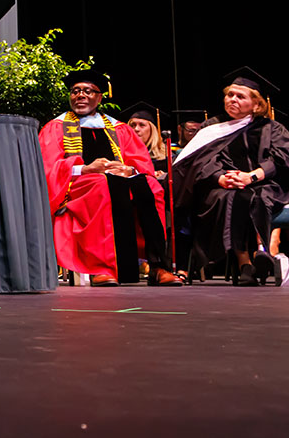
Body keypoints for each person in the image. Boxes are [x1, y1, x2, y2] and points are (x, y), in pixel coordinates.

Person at [38, 69, 179, 286]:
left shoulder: (119, 128)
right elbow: (47, 166)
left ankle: (159, 266)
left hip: (119, 179)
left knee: (150, 185)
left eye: (87, 91)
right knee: (102, 184)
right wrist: (84, 169)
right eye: (75, 91)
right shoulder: (56, 127)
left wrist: (128, 170)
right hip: (78, 183)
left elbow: (141, 162)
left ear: (99, 97)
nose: (80, 95)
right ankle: (101, 267)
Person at [172, 67, 289, 285]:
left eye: (240, 96)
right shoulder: (212, 127)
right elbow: (201, 161)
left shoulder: (272, 128)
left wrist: (251, 176)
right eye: (229, 95)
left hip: (263, 184)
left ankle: (256, 255)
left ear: (256, 104)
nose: (232, 99)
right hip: (221, 186)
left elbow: (281, 159)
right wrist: (220, 178)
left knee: (257, 195)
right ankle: (248, 261)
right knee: (232, 197)